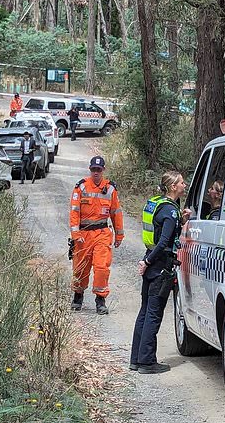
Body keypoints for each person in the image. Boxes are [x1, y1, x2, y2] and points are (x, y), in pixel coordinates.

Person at [130, 171, 190, 374]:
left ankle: (136, 359)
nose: (184, 184)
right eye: (181, 182)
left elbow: (162, 231)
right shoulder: (170, 211)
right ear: (173, 187)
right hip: (159, 265)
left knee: (145, 311)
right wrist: (146, 262)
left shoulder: (158, 203)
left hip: (152, 261)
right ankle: (147, 362)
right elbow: (164, 241)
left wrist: (181, 221)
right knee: (154, 314)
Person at [69, 156, 123, 314]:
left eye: (99, 170)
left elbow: (116, 213)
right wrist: (75, 234)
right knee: (80, 268)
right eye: (93, 169)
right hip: (83, 235)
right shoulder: (81, 188)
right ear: (90, 170)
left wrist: (119, 235)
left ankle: (100, 300)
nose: (96, 172)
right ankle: (78, 295)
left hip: (102, 233)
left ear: (103, 170)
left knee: (101, 267)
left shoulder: (110, 189)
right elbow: (74, 213)